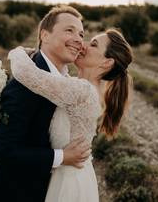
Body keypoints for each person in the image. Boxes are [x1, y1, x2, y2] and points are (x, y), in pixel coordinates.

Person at [8, 28, 134, 202]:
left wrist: (18, 52)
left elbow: (27, 74)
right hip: (67, 172)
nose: (84, 45)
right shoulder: (79, 86)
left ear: (107, 63)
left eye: (94, 45)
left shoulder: (82, 91)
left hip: (68, 181)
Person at [0, 5, 91, 202]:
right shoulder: (26, 82)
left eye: (81, 34)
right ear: (45, 35)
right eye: (69, 30)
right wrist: (61, 157)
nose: (78, 39)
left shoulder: (63, 83)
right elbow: (3, 151)